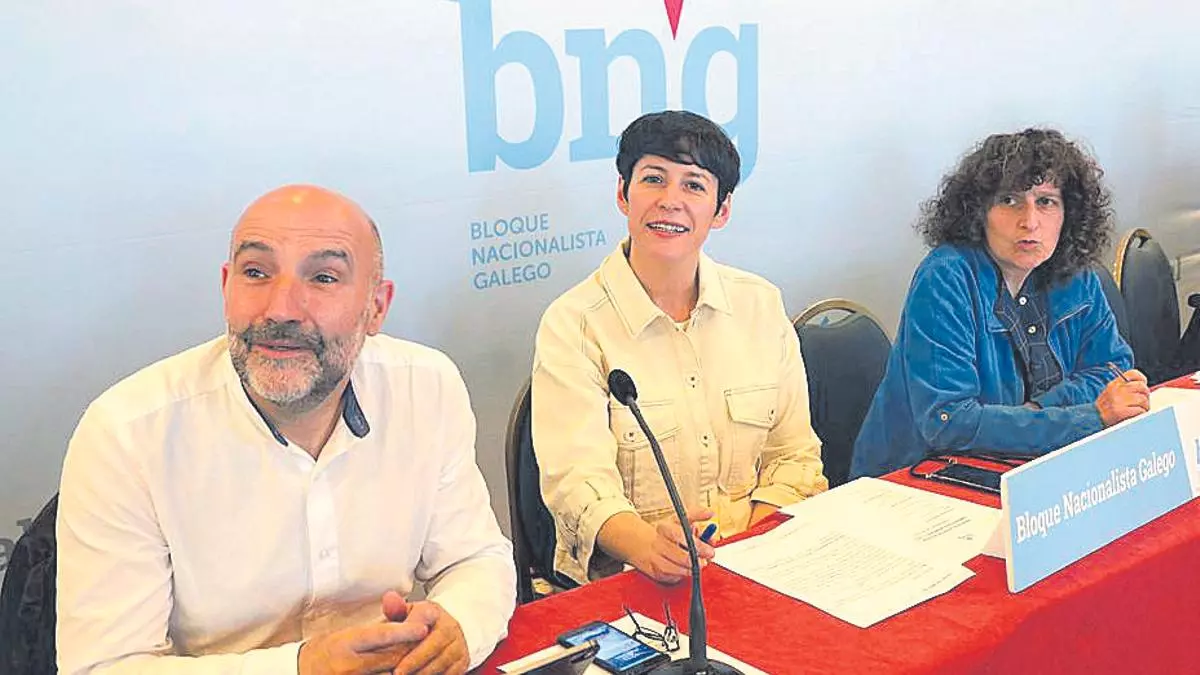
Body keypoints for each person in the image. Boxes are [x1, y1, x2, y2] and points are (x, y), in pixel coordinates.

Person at [56, 185, 516, 674]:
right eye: (256, 273)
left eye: (323, 278)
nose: (280, 310)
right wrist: (301, 668)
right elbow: (104, 667)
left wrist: (459, 626)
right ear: (226, 287)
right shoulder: (127, 433)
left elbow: (476, 559)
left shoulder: (425, 385)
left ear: (376, 307)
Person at [532, 111, 828, 586]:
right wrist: (649, 547)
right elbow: (578, 485)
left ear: (721, 209)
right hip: (633, 578)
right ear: (623, 193)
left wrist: (750, 549)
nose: (670, 201)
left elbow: (793, 454)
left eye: (693, 185)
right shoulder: (574, 324)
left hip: (756, 565)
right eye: (653, 179)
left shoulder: (759, 304)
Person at [851, 129, 1149, 478]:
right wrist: (1088, 416)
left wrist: (1039, 409)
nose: (1030, 222)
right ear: (978, 212)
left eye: (1046, 202)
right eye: (1009, 200)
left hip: (1031, 466)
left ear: (1068, 213)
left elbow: (1113, 370)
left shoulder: (1075, 271)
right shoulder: (946, 277)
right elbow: (949, 423)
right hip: (917, 478)